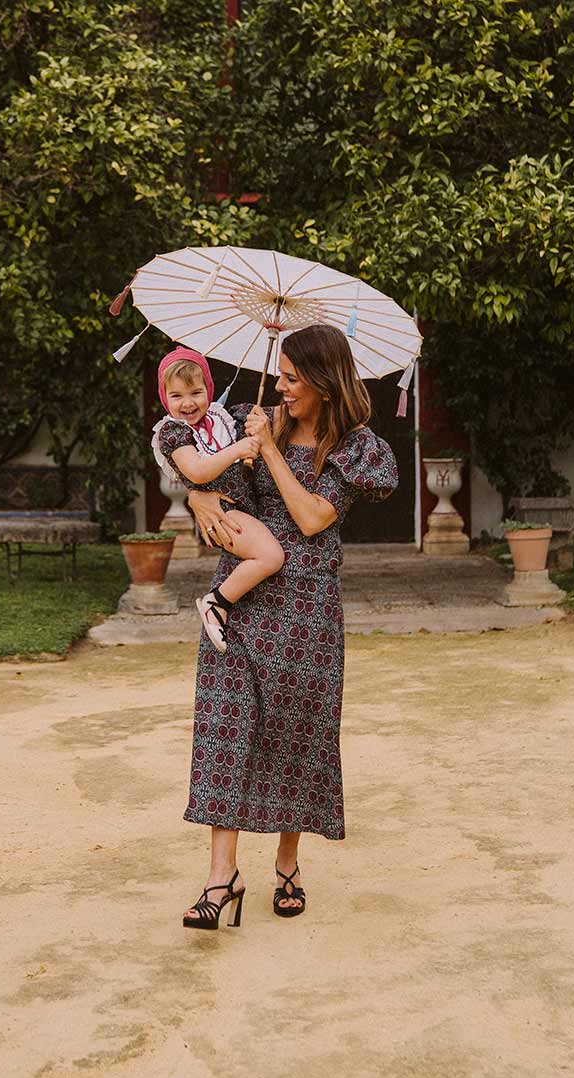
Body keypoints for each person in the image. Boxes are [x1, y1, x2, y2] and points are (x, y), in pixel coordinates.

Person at [180, 323, 399, 930]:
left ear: (324, 383)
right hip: (240, 594)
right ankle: (221, 878)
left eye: (292, 378)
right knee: (225, 725)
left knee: (294, 733)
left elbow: (311, 518)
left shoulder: (353, 447)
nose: (280, 387)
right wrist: (198, 497)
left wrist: (271, 451)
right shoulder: (257, 421)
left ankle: (286, 863)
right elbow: (198, 460)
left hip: (305, 607)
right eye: (279, 375)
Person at [153, 346, 286, 651]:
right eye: (176, 395)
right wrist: (238, 449)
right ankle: (217, 602)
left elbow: (279, 416)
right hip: (222, 510)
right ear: (164, 397)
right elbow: (197, 471)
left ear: (209, 390)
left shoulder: (222, 417)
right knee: (271, 556)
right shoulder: (173, 432)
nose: (188, 403)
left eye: (196, 392)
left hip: (244, 507)